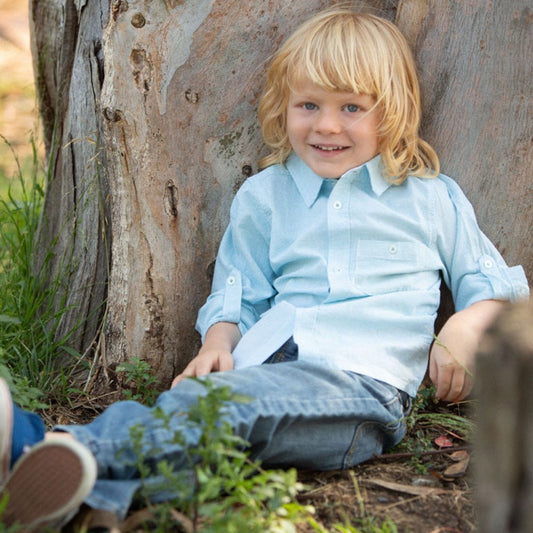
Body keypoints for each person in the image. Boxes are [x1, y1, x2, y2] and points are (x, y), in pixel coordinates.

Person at [0, 7, 529, 531]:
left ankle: (42, 446)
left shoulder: (428, 198)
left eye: (351, 107)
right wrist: (217, 344)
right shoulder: (266, 196)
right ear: (284, 106)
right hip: (257, 369)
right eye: (308, 104)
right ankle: (90, 501)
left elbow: (492, 286)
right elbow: (239, 291)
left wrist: (464, 325)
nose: (325, 125)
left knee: (222, 412)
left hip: (360, 389)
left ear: (390, 112)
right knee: (208, 426)